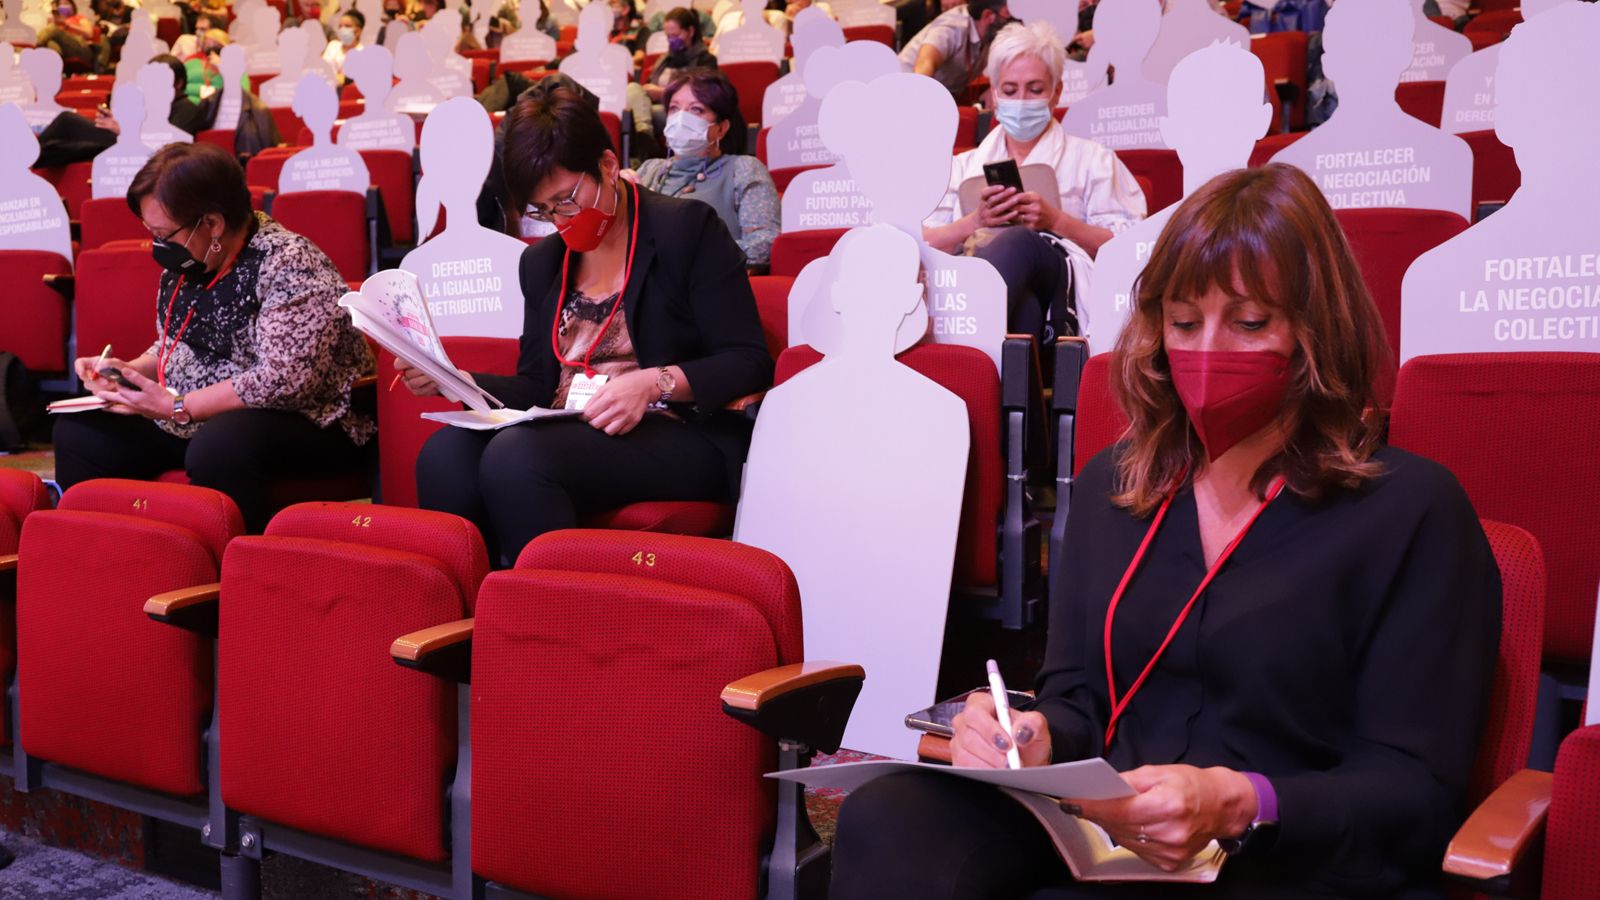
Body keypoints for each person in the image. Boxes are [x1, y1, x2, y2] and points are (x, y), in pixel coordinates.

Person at [830, 163, 1502, 898]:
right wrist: (1031, 735)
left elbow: (1415, 787)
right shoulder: (1110, 486)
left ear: (1316, 332)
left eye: (1249, 322)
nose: (1208, 350)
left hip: (1292, 859)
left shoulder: (1413, 511)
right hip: (1114, 838)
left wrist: (1239, 803)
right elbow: (1079, 702)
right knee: (891, 815)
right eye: (1184, 322)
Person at [403, 91, 772, 566]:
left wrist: (654, 381)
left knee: (518, 457)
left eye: (566, 200)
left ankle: (553, 625)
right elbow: (537, 384)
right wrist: (458, 381)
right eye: (542, 211)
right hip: (571, 427)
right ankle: (473, 620)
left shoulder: (685, 230)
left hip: (677, 432)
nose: (560, 221)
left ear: (607, 164)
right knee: (446, 455)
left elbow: (747, 359)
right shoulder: (542, 263)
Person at [53, 142, 376, 534]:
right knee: (82, 430)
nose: (157, 245)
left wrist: (179, 406)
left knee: (221, 445)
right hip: (195, 414)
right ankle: (106, 557)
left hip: (309, 420)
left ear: (212, 223)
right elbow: (174, 344)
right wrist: (127, 372)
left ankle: (230, 578)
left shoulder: (290, 262)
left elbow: (282, 380)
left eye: (164, 233)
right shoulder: (191, 259)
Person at [923, 20, 1145, 336]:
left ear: (1057, 93)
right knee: (1025, 310)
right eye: (1010, 90)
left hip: (1063, 287)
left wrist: (1056, 221)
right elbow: (921, 242)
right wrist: (974, 222)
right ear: (994, 96)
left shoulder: (1095, 159)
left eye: (1035, 89)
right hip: (1009, 300)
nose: (1022, 100)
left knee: (1020, 240)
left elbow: (1132, 247)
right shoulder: (960, 167)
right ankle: (1004, 375)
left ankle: (964, 350)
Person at [634, 69, 779, 268]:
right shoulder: (649, 170)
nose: (681, 119)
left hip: (707, 285)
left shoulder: (743, 169)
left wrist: (698, 255)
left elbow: (765, 243)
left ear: (721, 128)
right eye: (674, 109)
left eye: (696, 110)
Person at [899, 0, 1014, 99]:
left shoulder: (991, 34)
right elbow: (924, 66)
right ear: (988, 15)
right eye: (1008, 15)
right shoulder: (952, 27)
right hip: (904, 93)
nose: (1013, 21)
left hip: (944, 96)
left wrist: (994, 90)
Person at [645, 6, 716, 101]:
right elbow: (650, 83)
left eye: (676, 35)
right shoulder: (665, 59)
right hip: (653, 107)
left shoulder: (705, 60)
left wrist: (664, 94)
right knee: (633, 88)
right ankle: (643, 116)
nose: (671, 40)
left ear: (690, 31)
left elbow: (702, 96)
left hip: (683, 110)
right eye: (668, 36)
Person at [323, 8, 365, 74]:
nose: (343, 30)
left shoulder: (363, 54)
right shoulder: (332, 46)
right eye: (340, 27)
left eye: (347, 26)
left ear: (358, 31)